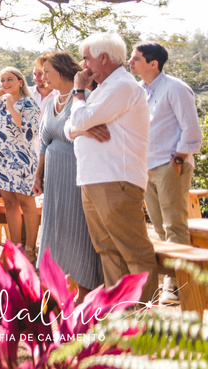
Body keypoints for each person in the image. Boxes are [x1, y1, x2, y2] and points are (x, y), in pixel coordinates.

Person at [65, 32, 158, 302]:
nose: (83, 67)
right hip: (94, 178)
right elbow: (70, 127)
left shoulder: (123, 87)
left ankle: (141, 318)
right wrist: (82, 128)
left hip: (117, 178)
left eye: (86, 59)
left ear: (103, 58)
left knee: (133, 251)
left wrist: (79, 94)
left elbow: (78, 120)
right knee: (107, 249)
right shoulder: (103, 90)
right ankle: (120, 314)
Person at [131, 41, 202, 302]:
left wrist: (180, 158)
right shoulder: (138, 90)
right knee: (159, 227)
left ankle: (176, 285)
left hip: (171, 164)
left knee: (175, 225)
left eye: (135, 58)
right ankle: (171, 279)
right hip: (146, 165)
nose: (131, 62)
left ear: (153, 63)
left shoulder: (176, 88)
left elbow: (192, 129)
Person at [33, 51, 103, 294]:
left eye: (47, 71)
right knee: (54, 229)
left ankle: (85, 290)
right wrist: (38, 175)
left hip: (78, 174)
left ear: (63, 71)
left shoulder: (86, 98)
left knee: (78, 229)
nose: (43, 77)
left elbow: (95, 133)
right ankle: (54, 288)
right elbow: (44, 143)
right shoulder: (52, 101)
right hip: (53, 178)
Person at [0, 67, 41, 257]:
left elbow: (29, 132)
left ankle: (30, 248)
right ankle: (15, 247)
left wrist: (11, 107)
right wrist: (4, 91)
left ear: (21, 81)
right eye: (3, 80)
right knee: (9, 203)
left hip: (23, 161)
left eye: (11, 79)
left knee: (26, 202)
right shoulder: (1, 101)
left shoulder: (29, 103)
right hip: (3, 161)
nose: (6, 83)